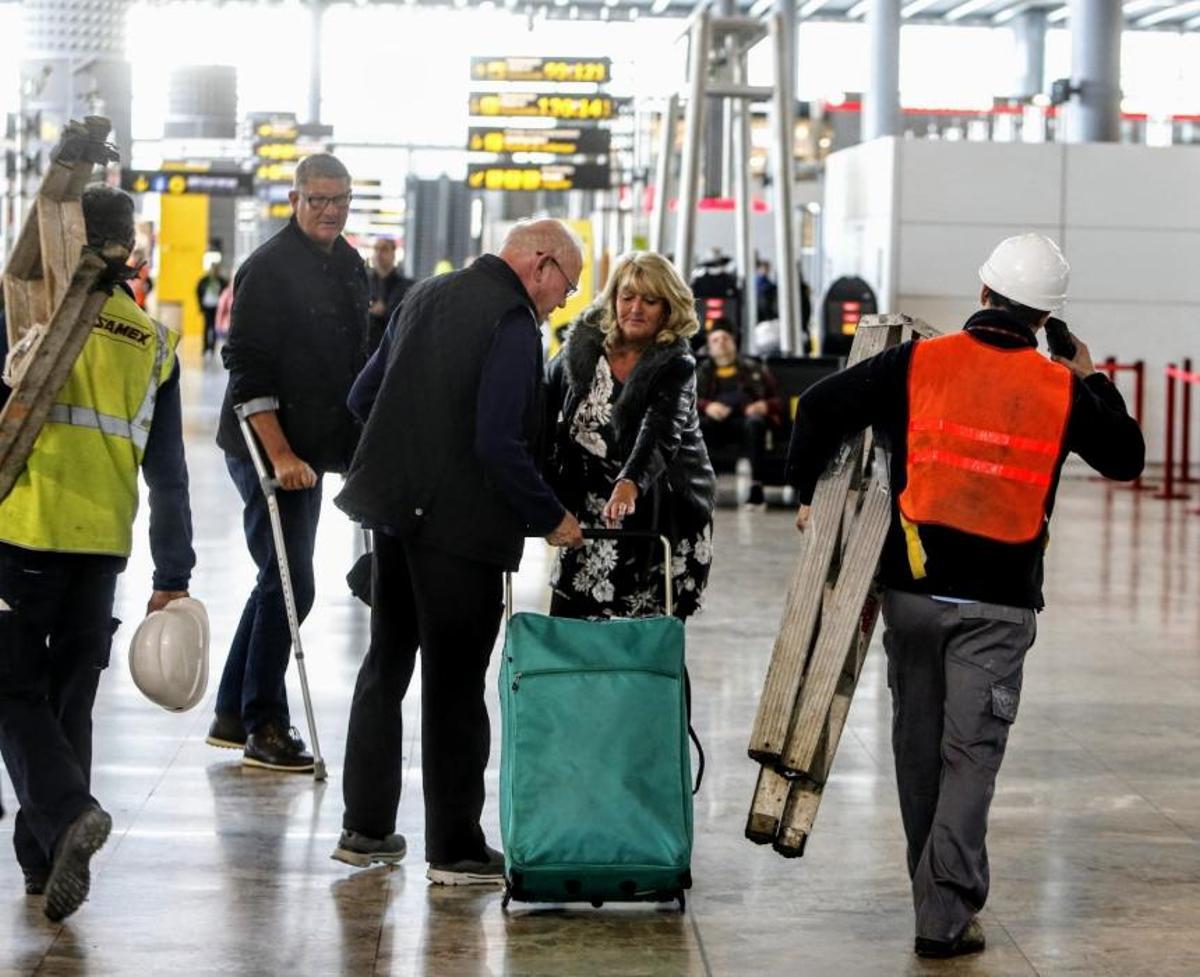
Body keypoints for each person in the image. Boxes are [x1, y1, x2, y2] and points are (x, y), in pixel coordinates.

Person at [786, 233, 1144, 960]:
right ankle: (943, 916)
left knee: (919, 752)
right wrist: (1092, 376)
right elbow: (1127, 458)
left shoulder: (919, 362)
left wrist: (805, 494)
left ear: (983, 294)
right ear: (1046, 319)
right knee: (969, 758)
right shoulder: (1062, 389)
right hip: (999, 608)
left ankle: (937, 897)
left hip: (914, 595)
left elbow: (817, 406)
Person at [331, 219, 584, 883]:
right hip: (460, 531)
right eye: (566, 287)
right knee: (454, 684)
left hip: (395, 519)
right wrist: (550, 515)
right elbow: (499, 441)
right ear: (542, 264)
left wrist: (417, 445)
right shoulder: (512, 321)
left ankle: (365, 828)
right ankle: (455, 848)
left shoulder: (424, 294)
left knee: (386, 666)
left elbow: (362, 396)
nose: (561, 302)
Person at [0, 185, 194, 921]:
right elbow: (168, 472)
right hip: (104, 545)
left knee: (12, 688)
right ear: (129, 250)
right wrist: (172, 572)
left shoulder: (27, 320)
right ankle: (44, 859)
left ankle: (68, 814)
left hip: (25, 530)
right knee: (70, 697)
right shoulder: (153, 342)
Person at [210, 153, 367, 772]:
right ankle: (264, 723)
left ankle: (233, 709)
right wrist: (279, 454)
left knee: (278, 577)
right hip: (267, 446)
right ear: (295, 199)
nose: (330, 210)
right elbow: (246, 367)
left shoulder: (349, 264)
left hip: (314, 447)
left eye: (340, 200)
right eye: (318, 199)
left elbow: (355, 359)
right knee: (292, 580)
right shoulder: (268, 268)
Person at [545, 251, 716, 620]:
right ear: (614, 300)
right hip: (590, 510)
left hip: (660, 512)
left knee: (643, 641)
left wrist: (629, 483)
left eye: (650, 300)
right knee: (568, 626)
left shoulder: (676, 366)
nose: (636, 308)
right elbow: (540, 408)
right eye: (627, 297)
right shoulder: (579, 353)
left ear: (668, 308)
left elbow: (660, 430)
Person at [696, 318, 784, 506]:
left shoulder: (753, 369)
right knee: (699, 426)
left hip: (745, 422)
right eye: (715, 340)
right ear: (709, 346)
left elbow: (778, 401)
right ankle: (702, 486)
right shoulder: (703, 372)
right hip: (716, 423)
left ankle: (756, 486)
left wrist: (764, 406)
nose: (721, 344)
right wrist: (707, 406)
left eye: (725, 339)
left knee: (755, 423)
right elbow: (688, 401)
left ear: (734, 342)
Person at [366, 238, 414, 354]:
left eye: (384, 249)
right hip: (368, 349)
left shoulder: (406, 286)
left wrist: (384, 312)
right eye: (376, 249)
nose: (379, 254)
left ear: (393, 254)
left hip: (394, 348)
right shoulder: (363, 283)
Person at [196, 261, 229, 357]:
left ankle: (212, 348)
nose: (214, 271)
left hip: (217, 308)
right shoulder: (204, 280)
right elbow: (198, 292)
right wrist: (200, 305)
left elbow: (226, 294)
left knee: (214, 327)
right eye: (213, 269)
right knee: (206, 327)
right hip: (207, 306)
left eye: (216, 269)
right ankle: (205, 348)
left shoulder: (222, 281)